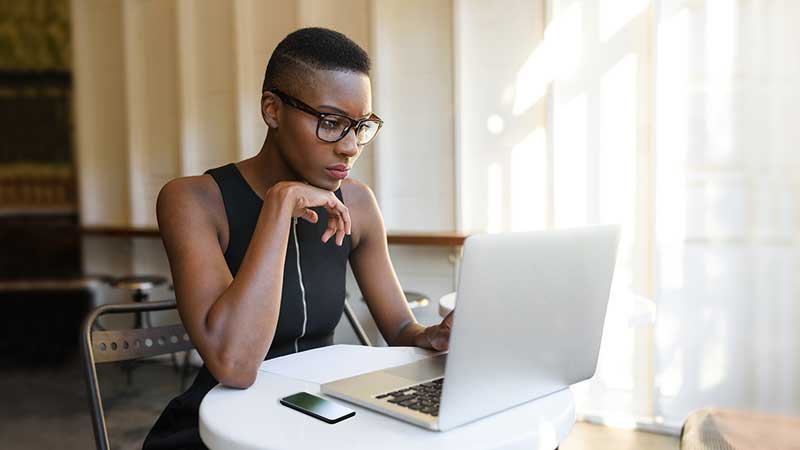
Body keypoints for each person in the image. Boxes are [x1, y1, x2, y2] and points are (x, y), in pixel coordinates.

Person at [143, 27, 454, 450]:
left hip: (316, 417)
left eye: (359, 126)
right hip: (217, 429)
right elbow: (233, 363)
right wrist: (279, 204)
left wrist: (430, 336)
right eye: (331, 123)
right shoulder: (192, 200)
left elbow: (400, 326)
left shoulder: (358, 203)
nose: (349, 147)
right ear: (272, 110)